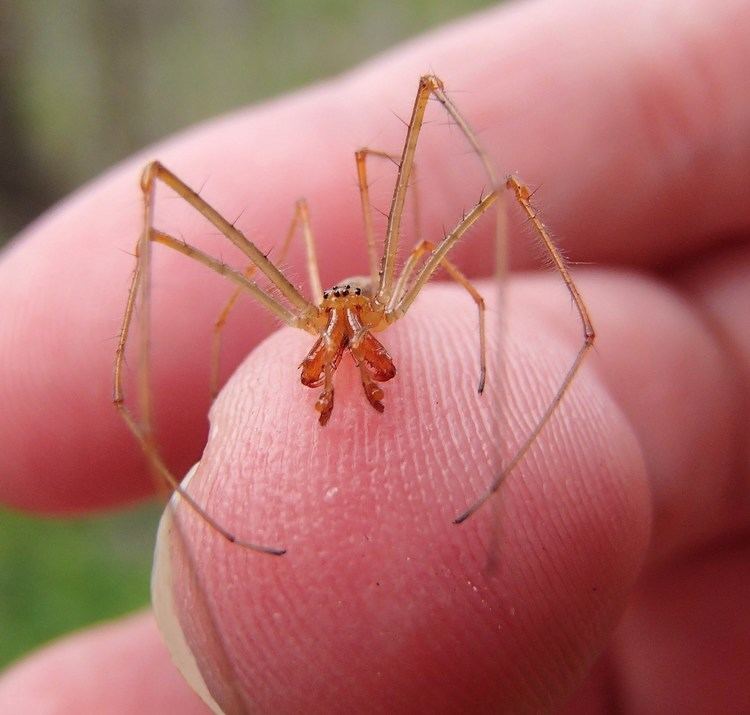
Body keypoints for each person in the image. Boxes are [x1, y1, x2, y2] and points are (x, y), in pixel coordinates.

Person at [1, 0, 748, 711]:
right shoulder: (308, 305)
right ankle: (201, 527)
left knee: (497, 185)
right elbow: (203, 257)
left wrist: (486, 313)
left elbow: (495, 196)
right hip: (326, 293)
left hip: (390, 287)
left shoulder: (398, 284)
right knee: (159, 200)